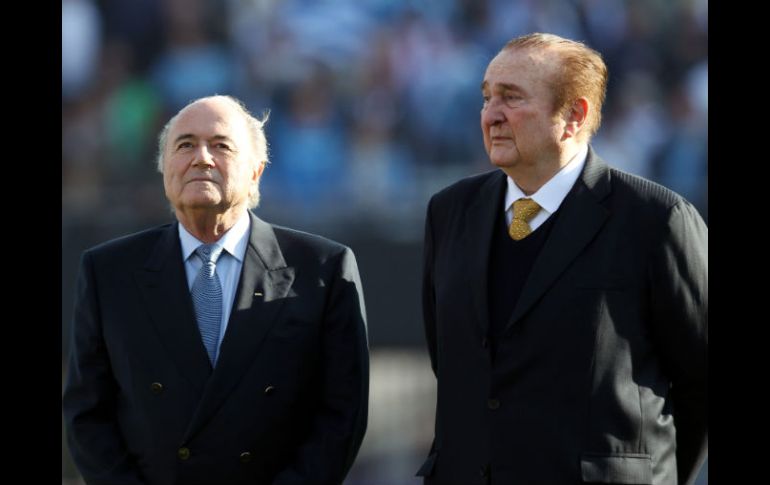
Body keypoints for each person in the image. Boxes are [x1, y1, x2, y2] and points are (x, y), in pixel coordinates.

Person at [417, 33, 707, 485]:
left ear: (574, 115)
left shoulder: (656, 219)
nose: (491, 115)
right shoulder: (450, 211)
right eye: (487, 97)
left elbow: (699, 383)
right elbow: (455, 365)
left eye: (511, 98)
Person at [63, 95, 369, 485]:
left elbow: (342, 415)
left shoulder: (323, 270)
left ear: (256, 171)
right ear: (164, 168)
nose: (202, 158)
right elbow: (86, 414)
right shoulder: (108, 272)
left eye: (221, 145)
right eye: (185, 145)